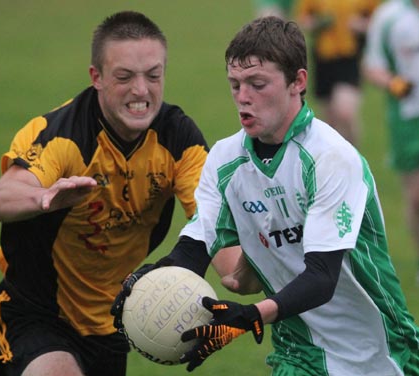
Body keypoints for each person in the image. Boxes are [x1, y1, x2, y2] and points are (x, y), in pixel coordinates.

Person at [112, 15, 419, 375]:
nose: (243, 98)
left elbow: (322, 277)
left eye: (257, 84)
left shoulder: (330, 158)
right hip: (297, 354)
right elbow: (195, 248)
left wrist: (251, 316)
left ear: (297, 82)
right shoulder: (226, 162)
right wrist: (153, 280)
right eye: (235, 84)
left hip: (377, 355)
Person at [0, 10, 209, 376]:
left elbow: (216, 226)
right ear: (96, 77)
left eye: (153, 76)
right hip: (32, 310)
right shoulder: (63, 135)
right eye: (124, 77)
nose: (141, 90)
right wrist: (44, 198)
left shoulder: (180, 141)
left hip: (112, 321)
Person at [362, 0, 419, 284]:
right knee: (417, 197)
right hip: (409, 121)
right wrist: (393, 83)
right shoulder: (389, 16)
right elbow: (372, 66)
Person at [296, 0, 380, 146]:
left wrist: (361, 25)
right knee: (330, 121)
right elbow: (304, 20)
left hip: (350, 57)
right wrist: (318, 24)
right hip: (324, 59)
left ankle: (354, 155)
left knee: (345, 112)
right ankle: (336, 160)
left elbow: (379, 20)